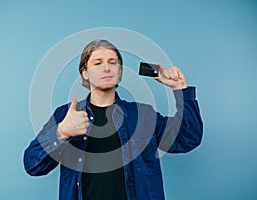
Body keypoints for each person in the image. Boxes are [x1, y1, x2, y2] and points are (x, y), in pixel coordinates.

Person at [23, 40, 203, 200]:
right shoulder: (66, 115)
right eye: (97, 63)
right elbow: (32, 165)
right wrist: (61, 133)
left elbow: (187, 138)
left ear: (119, 72)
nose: (106, 68)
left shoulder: (144, 115)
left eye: (112, 62)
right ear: (85, 73)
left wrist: (181, 90)